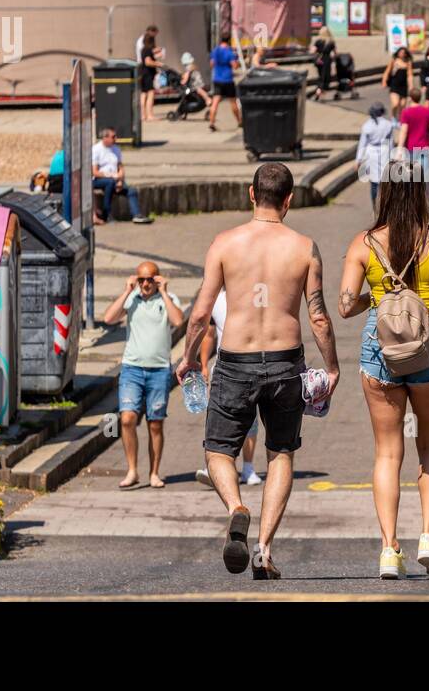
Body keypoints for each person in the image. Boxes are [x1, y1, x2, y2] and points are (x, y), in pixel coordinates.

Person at [174, 163, 341, 579]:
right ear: (290, 200)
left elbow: (199, 315)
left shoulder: (225, 244)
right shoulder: (305, 247)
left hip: (235, 362)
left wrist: (189, 357)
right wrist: (333, 368)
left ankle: (236, 508)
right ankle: (264, 551)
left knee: (218, 450)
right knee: (281, 452)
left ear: (251, 195)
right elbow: (318, 316)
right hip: (286, 362)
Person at [336, 159, 429, 579]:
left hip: (378, 350)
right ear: (421, 192)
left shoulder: (363, 242)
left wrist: (380, 297)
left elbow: (345, 305)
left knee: (386, 450)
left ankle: (388, 549)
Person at [102, 260, 185, 488]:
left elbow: (178, 321)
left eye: (150, 279)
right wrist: (127, 290)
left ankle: (154, 473)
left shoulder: (168, 299)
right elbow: (108, 318)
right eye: (142, 280)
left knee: (155, 423)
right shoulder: (132, 299)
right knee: (127, 419)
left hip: (159, 370)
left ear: (158, 279)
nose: (146, 284)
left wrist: (165, 292)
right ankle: (132, 470)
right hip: (132, 368)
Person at [195, 290, 262, 487]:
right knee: (217, 418)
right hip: (224, 368)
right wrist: (205, 364)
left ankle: (248, 468)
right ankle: (215, 466)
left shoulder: (255, 294)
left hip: (253, 366)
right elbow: (208, 334)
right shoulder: (216, 299)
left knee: (251, 421)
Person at [92, 128, 151, 225]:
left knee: (131, 190)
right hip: (99, 180)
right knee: (109, 184)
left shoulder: (116, 149)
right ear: (105, 138)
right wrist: (111, 177)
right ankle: (106, 213)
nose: (116, 139)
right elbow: (94, 172)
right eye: (113, 137)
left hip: (115, 180)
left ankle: (136, 215)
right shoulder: (96, 150)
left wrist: (120, 180)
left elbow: (120, 167)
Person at [357, 102, 396, 208]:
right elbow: (391, 142)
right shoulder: (388, 124)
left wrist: (358, 160)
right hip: (385, 152)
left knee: (374, 182)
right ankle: (386, 205)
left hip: (371, 153)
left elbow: (362, 144)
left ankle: (375, 205)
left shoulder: (367, 126)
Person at [396, 86, 429, 185]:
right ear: (420, 98)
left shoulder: (406, 112)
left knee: (412, 177)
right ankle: (425, 197)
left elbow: (404, 131)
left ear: (410, 98)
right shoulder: (427, 111)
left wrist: (399, 148)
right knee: (424, 177)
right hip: (424, 147)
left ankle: (413, 198)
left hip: (410, 149)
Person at [208, 35, 241, 132]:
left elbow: (212, 64)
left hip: (217, 79)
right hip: (228, 80)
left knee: (215, 102)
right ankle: (239, 121)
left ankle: (211, 123)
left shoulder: (215, 51)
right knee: (233, 102)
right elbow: (234, 66)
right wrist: (237, 64)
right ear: (229, 41)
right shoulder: (230, 52)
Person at [382, 46, 414, 118]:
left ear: (406, 54)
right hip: (394, 85)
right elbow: (387, 71)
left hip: (403, 86)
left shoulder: (408, 63)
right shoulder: (394, 60)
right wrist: (384, 81)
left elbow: (409, 75)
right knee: (395, 104)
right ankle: (393, 117)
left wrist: (411, 86)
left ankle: (400, 120)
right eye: (400, 52)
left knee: (402, 106)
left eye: (403, 53)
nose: (402, 54)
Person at [310, 27, 335, 101]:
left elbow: (312, 51)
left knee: (320, 76)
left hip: (319, 61)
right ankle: (322, 95)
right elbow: (334, 54)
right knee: (326, 78)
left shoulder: (318, 41)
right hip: (327, 61)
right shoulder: (330, 42)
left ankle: (318, 91)